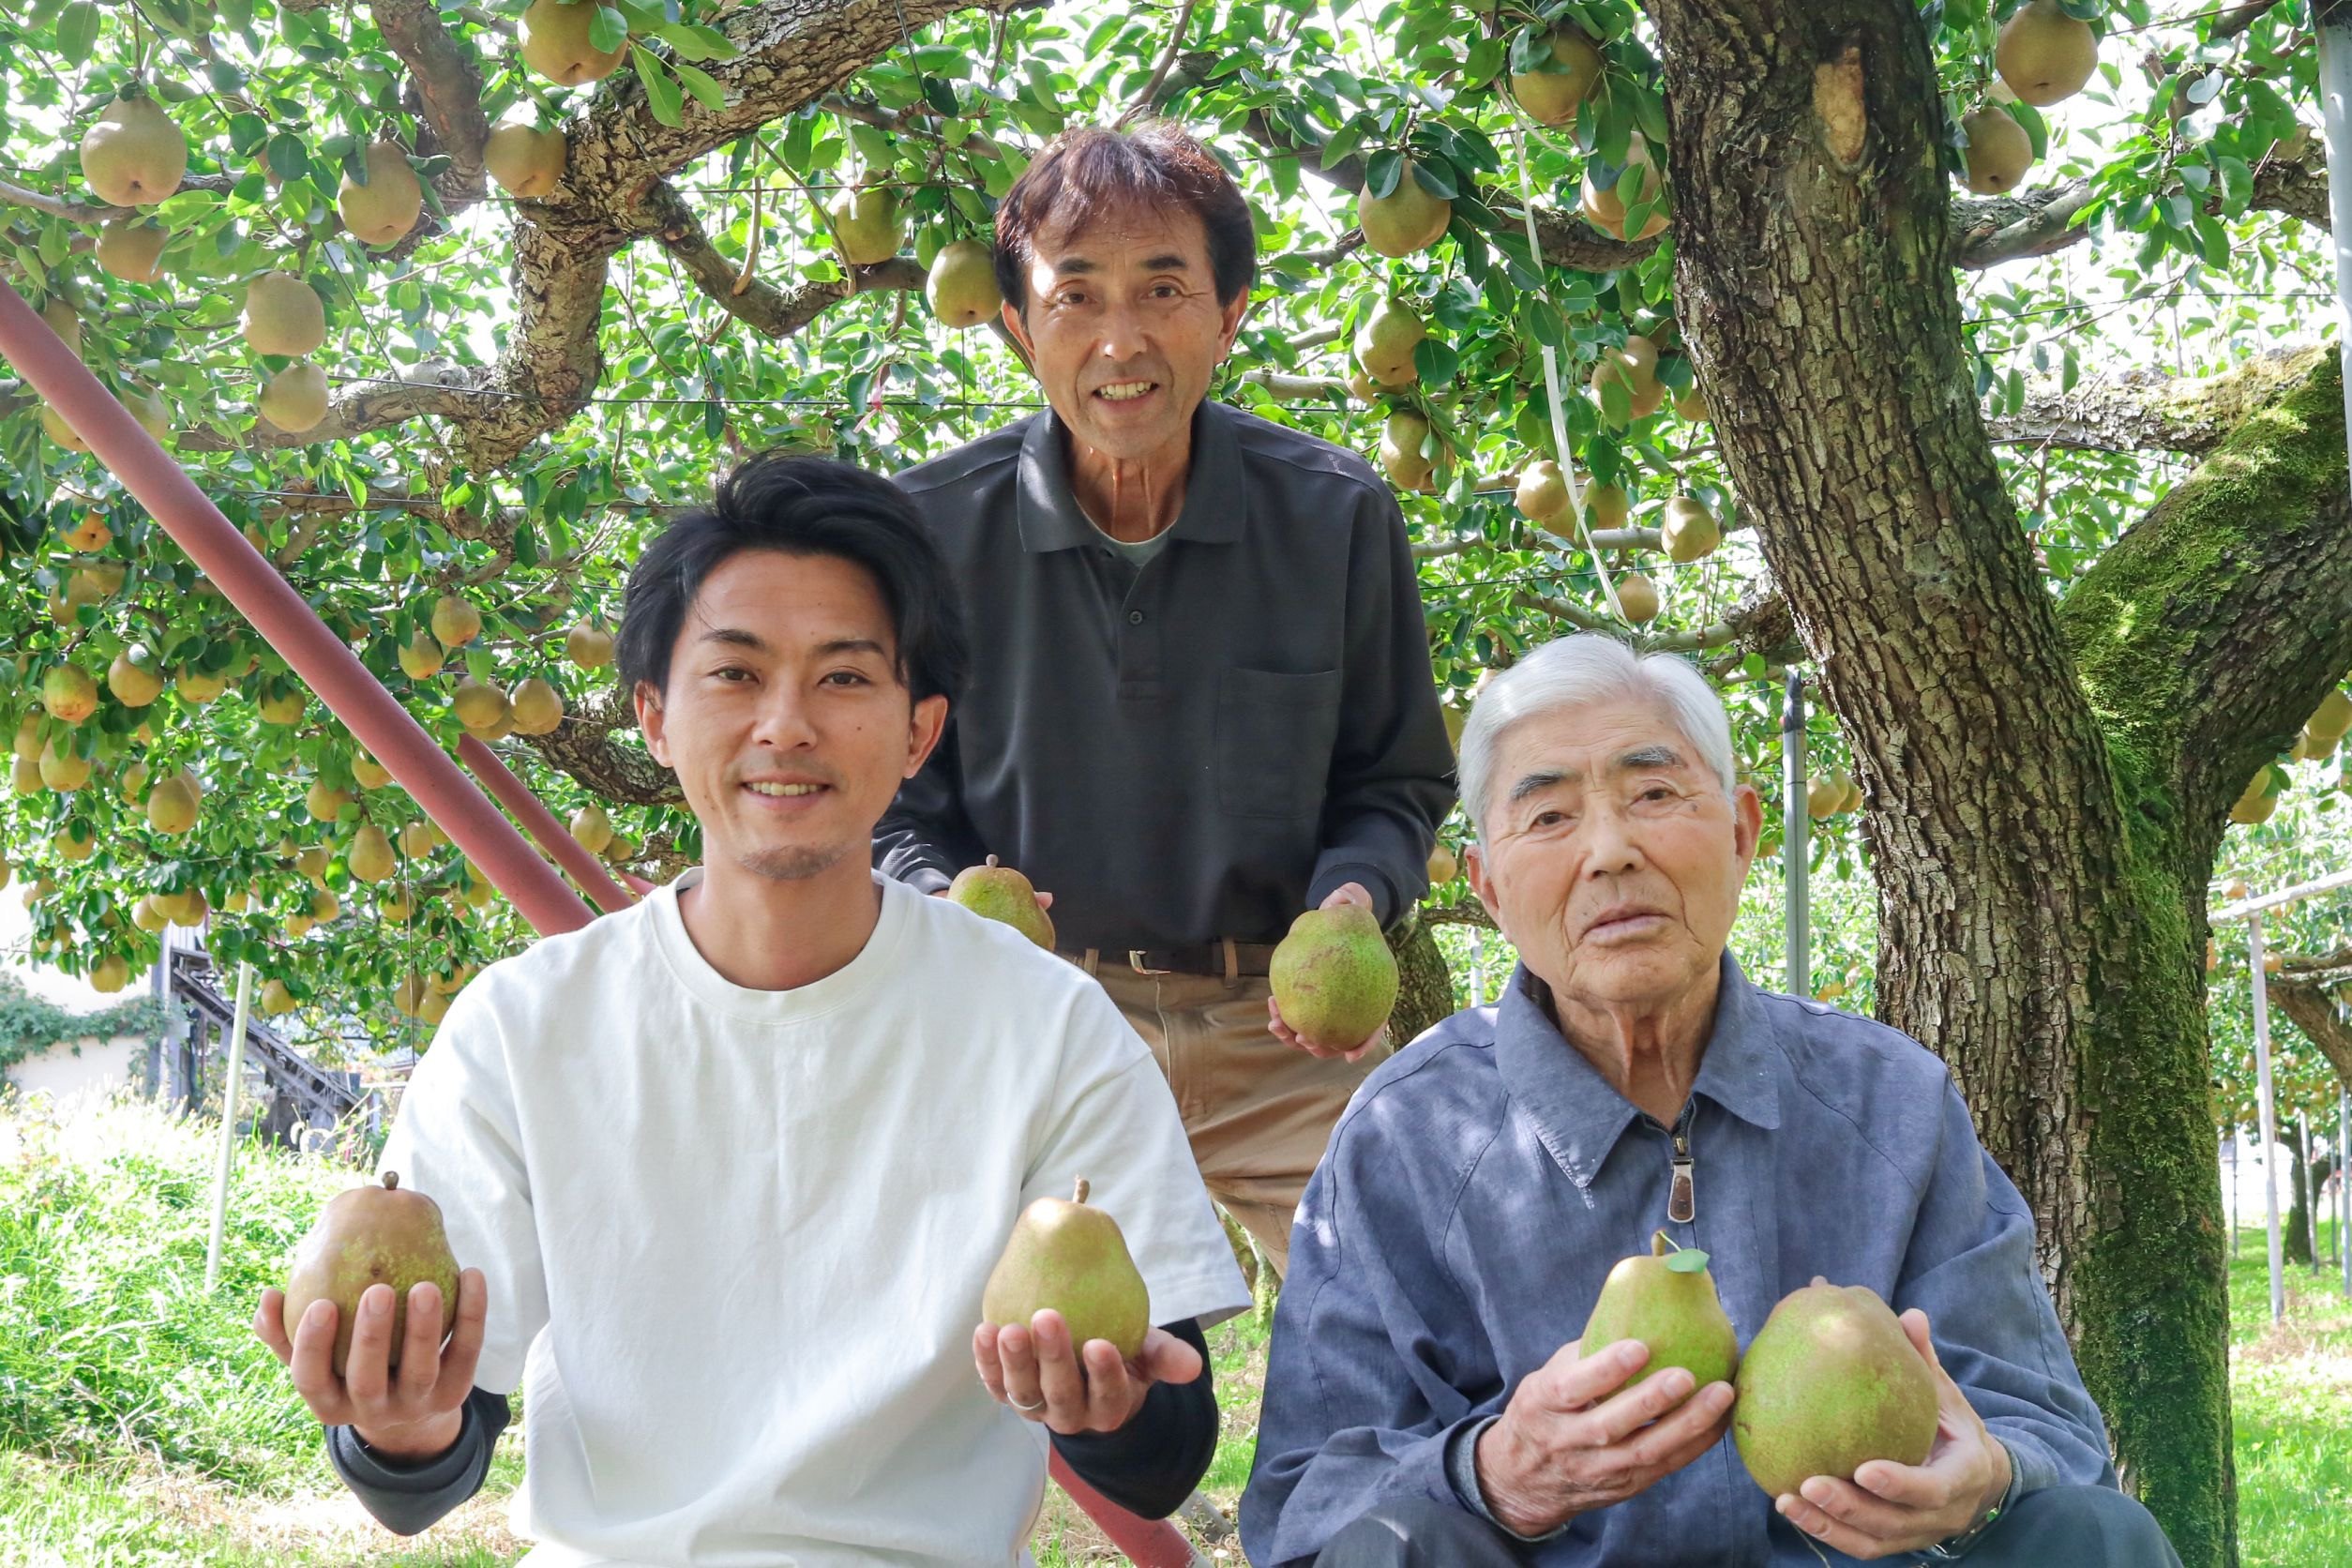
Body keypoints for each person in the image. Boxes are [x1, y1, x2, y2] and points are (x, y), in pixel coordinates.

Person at [251, 456, 1250, 1566]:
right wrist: (401, 1425)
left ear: (920, 733)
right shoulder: (524, 1029)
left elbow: (1170, 1446)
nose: (786, 726)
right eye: (734, 675)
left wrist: (1100, 1407)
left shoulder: (1047, 1027)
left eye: (843, 678)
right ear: (655, 719)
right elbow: (422, 1475)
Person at [1239, 634, 2181, 1566]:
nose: (1610, 851)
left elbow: (2047, 1423)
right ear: (1488, 888)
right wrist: (1498, 1474)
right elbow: (1300, 1495)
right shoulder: (1406, 1135)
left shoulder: (1889, 1097)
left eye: (1653, 794)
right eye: (1552, 815)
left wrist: (1985, 1475)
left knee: (2094, 1535)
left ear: (1741, 833)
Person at [879, 121, 1455, 1278]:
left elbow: (1394, 781)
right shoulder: (931, 534)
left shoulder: (1335, 517)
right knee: (1000, 1360)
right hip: (1038, 1024)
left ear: (1230, 314)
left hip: (1285, 1034)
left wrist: (1352, 899)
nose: (1120, 338)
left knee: (1416, 1326)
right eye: (1076, 295)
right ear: (1017, 325)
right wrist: (948, 895)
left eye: (1163, 289)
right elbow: (891, 808)